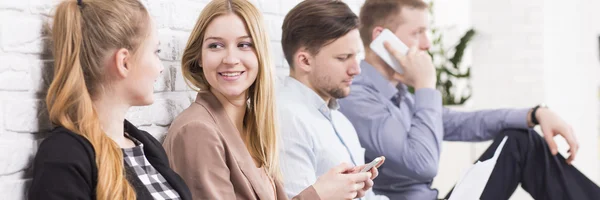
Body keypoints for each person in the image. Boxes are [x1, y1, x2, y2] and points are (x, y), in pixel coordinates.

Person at [338, 0, 600, 199]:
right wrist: (425, 84)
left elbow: (463, 122)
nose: (427, 43)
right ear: (381, 38)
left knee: (520, 139)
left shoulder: (400, 95)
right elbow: (422, 165)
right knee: (521, 143)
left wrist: (535, 113)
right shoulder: (357, 95)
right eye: (417, 32)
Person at [162, 0, 373, 199]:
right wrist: (318, 195)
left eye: (244, 45)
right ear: (199, 57)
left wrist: (332, 191)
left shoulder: (252, 125)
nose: (231, 59)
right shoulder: (197, 131)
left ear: (260, 53)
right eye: (215, 46)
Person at [28, 0, 192, 199]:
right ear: (124, 62)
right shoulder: (63, 156)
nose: (161, 67)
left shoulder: (147, 145)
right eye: (155, 52)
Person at [277, 1, 387, 200]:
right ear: (305, 61)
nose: (356, 69)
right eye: (344, 57)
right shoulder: (286, 119)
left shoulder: (339, 121)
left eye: (356, 56)